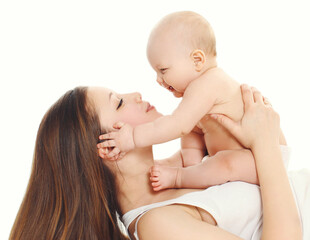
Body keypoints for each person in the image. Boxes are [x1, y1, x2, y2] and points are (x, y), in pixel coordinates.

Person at [10, 85, 308, 240]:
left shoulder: (179, 167)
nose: (135, 94)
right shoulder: (157, 225)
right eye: (119, 102)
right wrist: (266, 144)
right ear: (107, 148)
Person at [97, 11, 286, 191]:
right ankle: (190, 166)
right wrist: (192, 160)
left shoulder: (209, 83)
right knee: (194, 132)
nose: (158, 79)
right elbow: (192, 132)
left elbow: (177, 125)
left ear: (197, 60)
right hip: (250, 156)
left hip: (267, 158)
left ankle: (180, 177)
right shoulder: (198, 92)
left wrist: (133, 137)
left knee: (222, 161)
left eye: (163, 70)